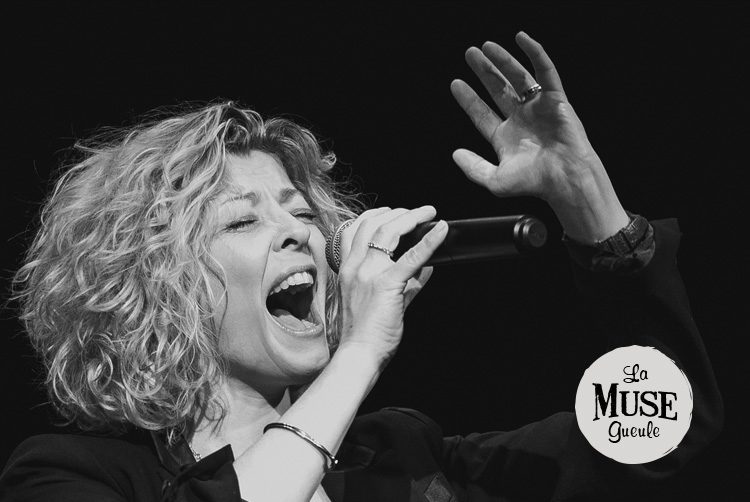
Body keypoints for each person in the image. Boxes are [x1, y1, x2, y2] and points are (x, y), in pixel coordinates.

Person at [0, 32, 721, 502]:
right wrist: (359, 354)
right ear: (156, 289)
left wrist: (587, 200)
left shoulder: (405, 459)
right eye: (244, 220)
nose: (300, 232)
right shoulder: (71, 476)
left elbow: (660, 434)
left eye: (301, 212)